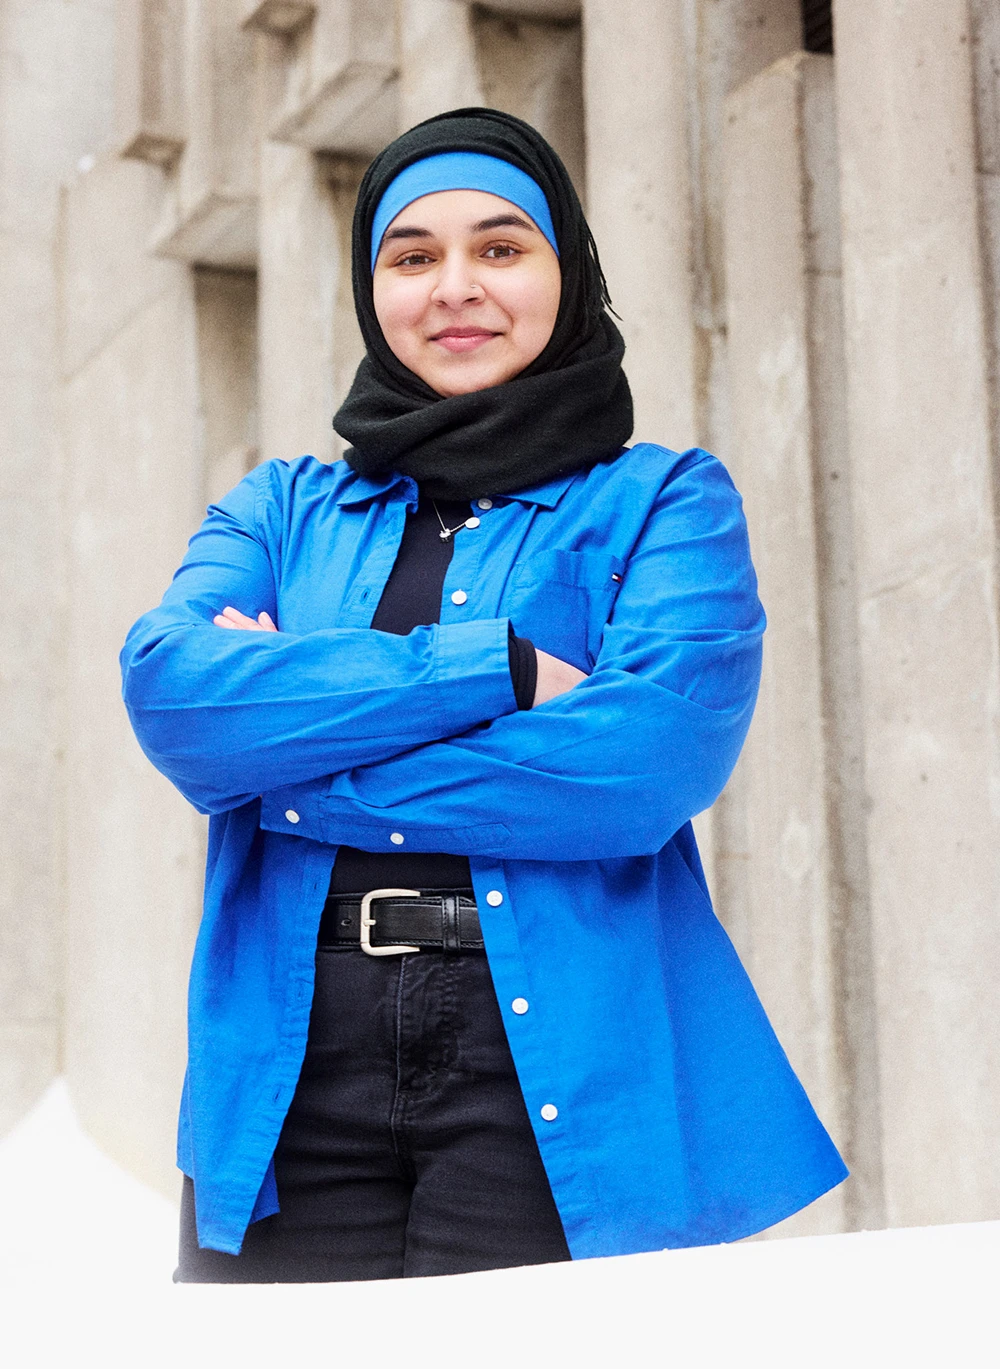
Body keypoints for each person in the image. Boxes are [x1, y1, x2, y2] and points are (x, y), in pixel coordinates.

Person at [121, 108, 847, 1284]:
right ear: (373, 293)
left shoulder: (664, 502)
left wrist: (289, 772)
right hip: (287, 1073)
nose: (454, 285)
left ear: (569, 271)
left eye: (500, 247)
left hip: (559, 1072)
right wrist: (492, 670)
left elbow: (639, 769)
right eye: (412, 256)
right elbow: (175, 697)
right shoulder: (281, 509)